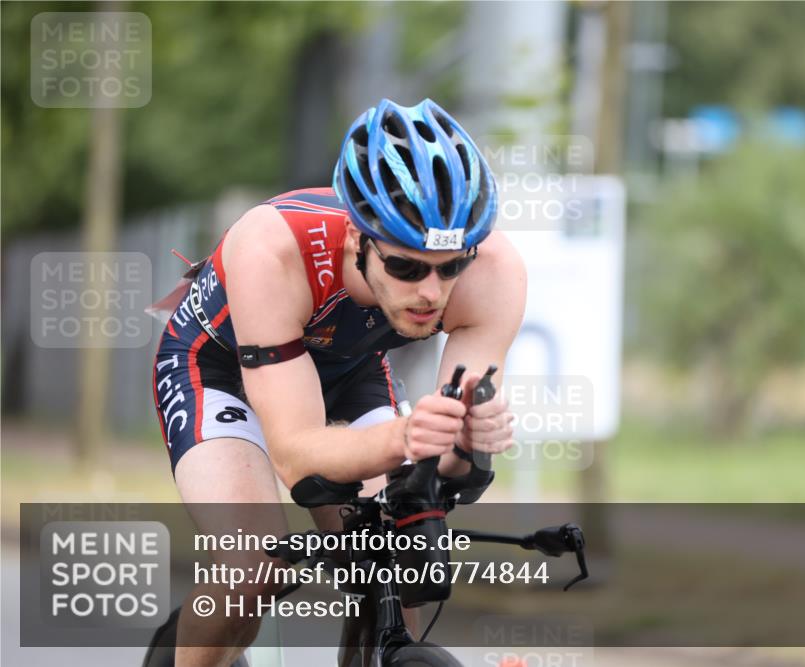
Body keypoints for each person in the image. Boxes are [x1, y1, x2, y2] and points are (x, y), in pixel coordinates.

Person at [151, 98, 525, 667]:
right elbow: (298, 455)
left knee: (396, 556)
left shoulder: (494, 274)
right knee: (251, 567)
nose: (431, 291)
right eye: (406, 267)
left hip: (350, 366)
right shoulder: (271, 249)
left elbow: (446, 471)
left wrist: (467, 440)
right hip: (220, 367)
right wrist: (405, 437)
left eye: (450, 267)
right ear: (357, 239)